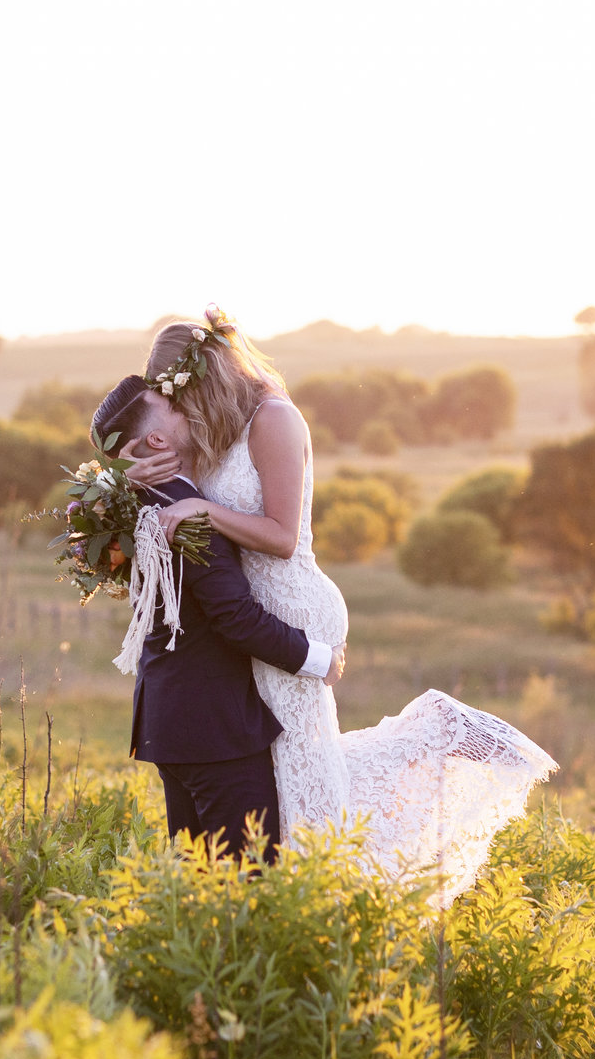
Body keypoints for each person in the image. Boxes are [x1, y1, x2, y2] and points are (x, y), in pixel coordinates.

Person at [119, 309, 553, 906]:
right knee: (275, 772)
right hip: (247, 613)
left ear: (204, 378)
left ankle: (434, 742)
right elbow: (174, 503)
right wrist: (134, 481)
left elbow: (280, 535)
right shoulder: (212, 431)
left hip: (290, 605)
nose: (181, 412)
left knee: (300, 777)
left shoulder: (273, 419)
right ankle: (294, 903)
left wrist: (202, 513)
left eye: (181, 396)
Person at [94, 374, 344, 863]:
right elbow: (235, 618)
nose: (181, 399)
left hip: (168, 719)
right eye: (169, 402)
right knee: (247, 883)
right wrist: (319, 660)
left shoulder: (136, 502)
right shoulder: (182, 514)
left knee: (197, 886)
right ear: (158, 441)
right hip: (215, 728)